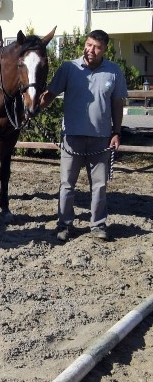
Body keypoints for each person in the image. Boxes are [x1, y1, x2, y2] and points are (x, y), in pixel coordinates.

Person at [38, 29, 127, 242]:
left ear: (105, 49)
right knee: (67, 184)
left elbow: (117, 103)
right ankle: (65, 224)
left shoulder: (113, 72)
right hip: (72, 138)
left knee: (99, 185)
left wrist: (116, 132)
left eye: (96, 47)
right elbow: (50, 94)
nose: (91, 50)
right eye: (88, 45)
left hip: (101, 139)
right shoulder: (69, 68)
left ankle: (97, 225)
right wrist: (33, 109)